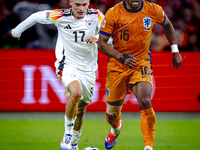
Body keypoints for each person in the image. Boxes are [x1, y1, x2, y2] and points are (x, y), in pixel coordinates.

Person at [11, 0, 105, 150]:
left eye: (84, 5)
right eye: (77, 5)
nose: (81, 8)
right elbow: (36, 16)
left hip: (89, 70)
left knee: (81, 109)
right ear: (71, 3)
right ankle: (67, 137)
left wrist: (99, 37)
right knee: (76, 92)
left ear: (88, 4)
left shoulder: (97, 16)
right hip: (67, 65)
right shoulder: (60, 15)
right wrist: (17, 31)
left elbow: (110, 36)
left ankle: (74, 144)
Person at [98, 0, 182, 150]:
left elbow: (167, 24)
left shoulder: (153, 9)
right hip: (118, 65)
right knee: (111, 115)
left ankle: (148, 146)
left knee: (145, 100)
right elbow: (101, 43)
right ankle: (116, 128)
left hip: (140, 63)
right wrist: (121, 57)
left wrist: (175, 50)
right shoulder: (114, 13)